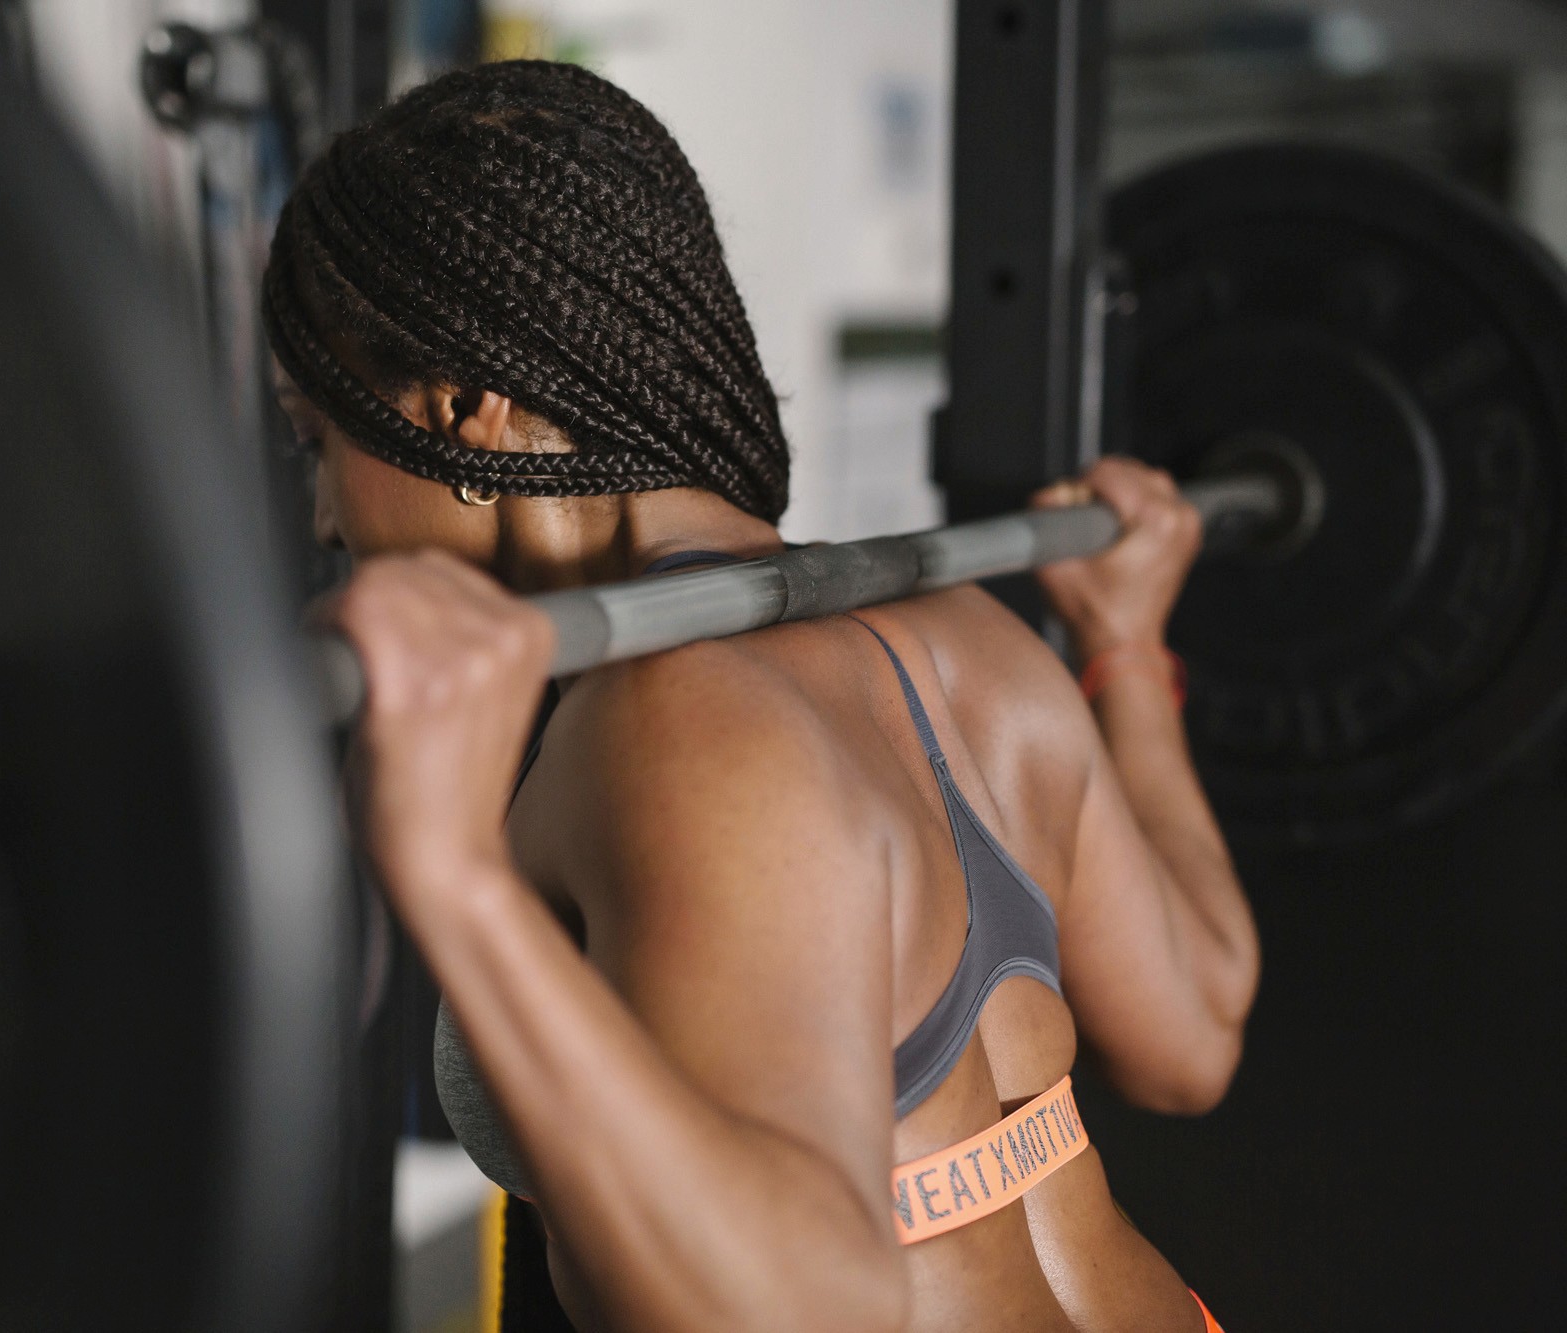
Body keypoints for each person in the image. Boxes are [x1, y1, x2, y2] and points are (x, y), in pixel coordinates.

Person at [267, 59, 1257, 1333]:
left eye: (318, 439)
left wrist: (450, 872)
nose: (323, 515)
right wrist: (1126, 645)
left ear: (464, 408)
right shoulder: (974, 643)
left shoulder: (671, 721)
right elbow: (1191, 1034)